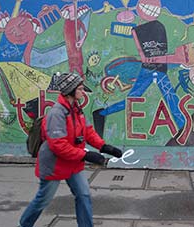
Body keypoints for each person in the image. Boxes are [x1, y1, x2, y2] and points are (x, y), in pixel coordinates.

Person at [18, 72, 123, 227]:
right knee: (43, 200)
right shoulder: (56, 113)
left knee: (84, 195)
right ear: (70, 91)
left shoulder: (76, 109)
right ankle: (24, 224)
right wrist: (86, 156)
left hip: (73, 163)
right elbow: (58, 145)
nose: (83, 91)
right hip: (54, 165)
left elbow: (87, 131)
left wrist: (104, 146)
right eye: (80, 89)